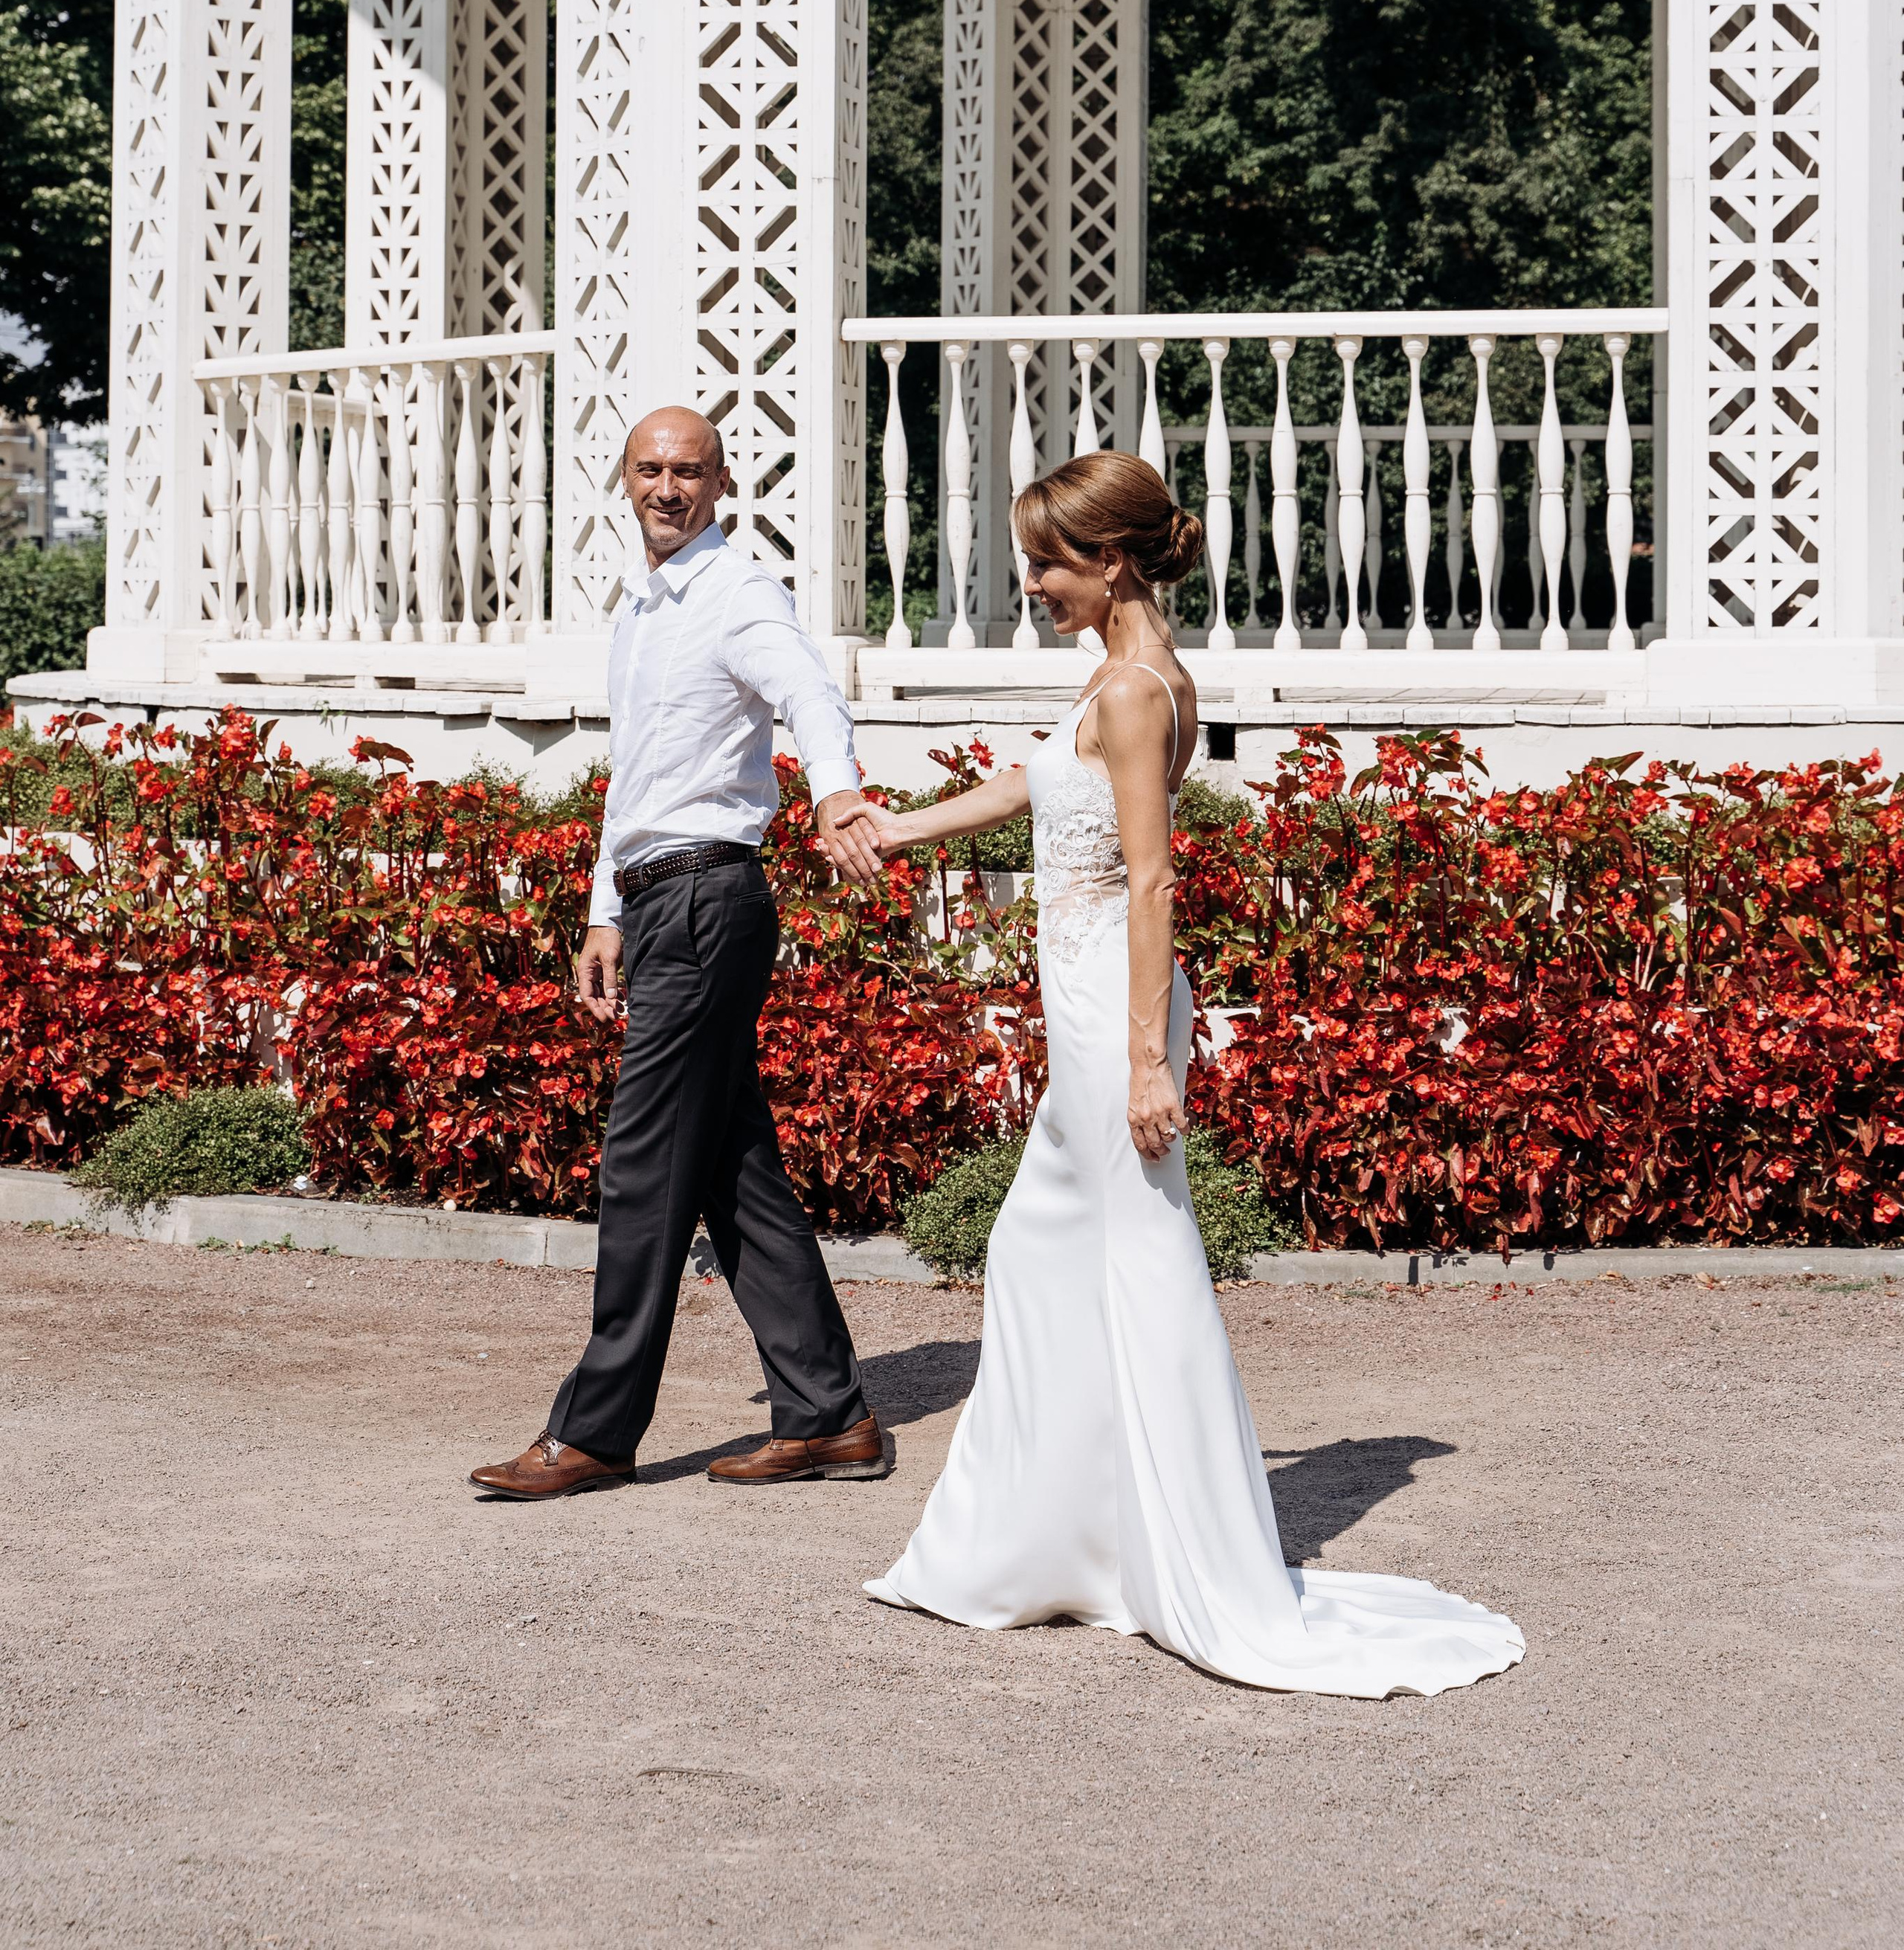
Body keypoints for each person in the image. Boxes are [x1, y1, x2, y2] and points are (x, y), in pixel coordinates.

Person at [833, 450, 1524, 1698]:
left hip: (1116, 1016)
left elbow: (1153, 878)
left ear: (1109, 562)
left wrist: (1148, 1060)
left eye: (1047, 563)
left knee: (1128, 1272)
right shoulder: (1115, 680)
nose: (1031, 584)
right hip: (1098, 1008)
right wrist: (899, 826)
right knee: (1058, 1264)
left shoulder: (1138, 690)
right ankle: (1075, 1550)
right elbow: (1035, 788)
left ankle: (1144, 1561)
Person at [471, 408, 890, 1499]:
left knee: (644, 1165)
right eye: (652, 469)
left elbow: (807, 691)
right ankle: (831, 1416)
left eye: (689, 471)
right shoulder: (641, 614)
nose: (669, 487)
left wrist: (836, 787)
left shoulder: (736, 592)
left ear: (721, 483)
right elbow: (637, 779)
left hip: (711, 898)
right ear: (626, 477)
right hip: (659, 901)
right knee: (728, 1170)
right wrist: (607, 909)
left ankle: (598, 1431)